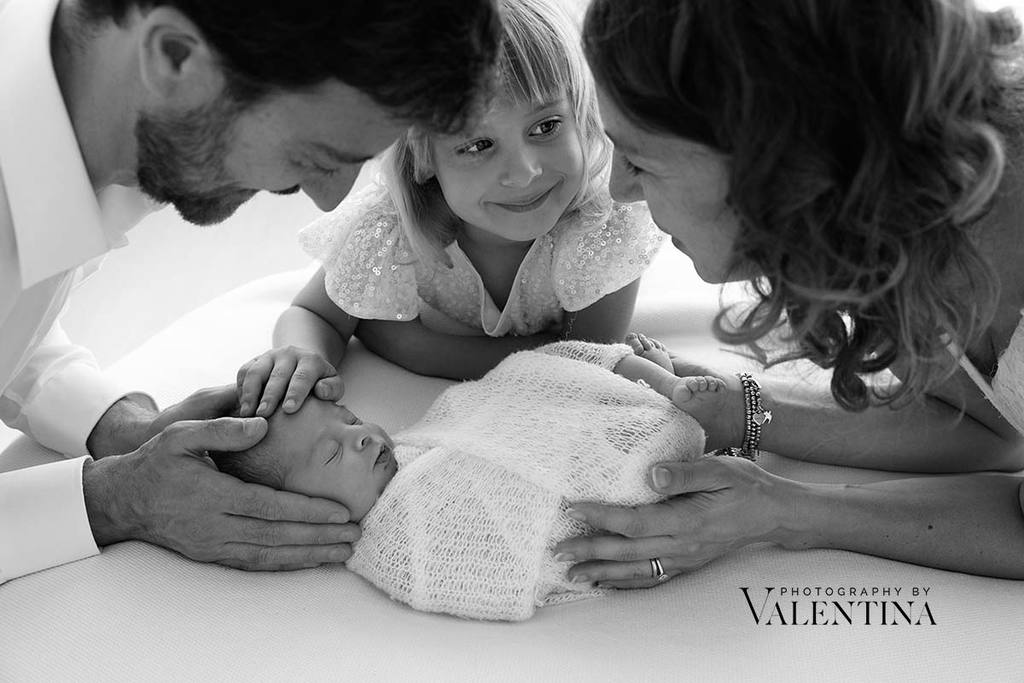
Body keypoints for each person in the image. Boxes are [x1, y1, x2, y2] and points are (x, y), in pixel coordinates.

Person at [0, 0, 501, 583]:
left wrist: (116, 424)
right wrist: (110, 500)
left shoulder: (87, 124)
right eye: (314, 155)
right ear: (176, 57)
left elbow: (14, 325)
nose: (328, 200)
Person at [550, 0, 1024, 587]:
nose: (618, 190)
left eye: (641, 160)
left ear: (773, 157)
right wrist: (739, 411)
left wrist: (782, 510)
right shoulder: (894, 207)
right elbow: (991, 430)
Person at [234, 0, 663, 417]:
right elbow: (312, 314)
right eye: (478, 145)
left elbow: (579, 367)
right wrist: (301, 356)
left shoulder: (602, 225)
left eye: (546, 126)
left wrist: (412, 347)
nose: (524, 172)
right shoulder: (390, 229)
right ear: (424, 159)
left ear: (582, 116)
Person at [213, 339, 719, 620]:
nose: (363, 437)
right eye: (331, 454)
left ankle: (643, 384)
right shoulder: (396, 546)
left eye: (348, 420)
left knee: (523, 371)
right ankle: (670, 417)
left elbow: (477, 408)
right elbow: (476, 570)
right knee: (625, 483)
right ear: (299, 512)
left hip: (551, 431)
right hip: (582, 481)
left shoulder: (415, 443)